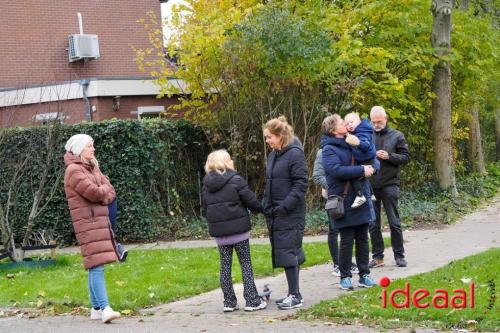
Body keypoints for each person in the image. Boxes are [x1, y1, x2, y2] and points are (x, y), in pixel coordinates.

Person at [63, 134, 121, 323]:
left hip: (98, 222)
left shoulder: (93, 167)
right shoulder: (73, 170)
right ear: (80, 149)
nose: (93, 149)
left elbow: (111, 189)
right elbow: (95, 192)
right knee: (96, 266)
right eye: (90, 146)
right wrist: (104, 193)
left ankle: (96, 308)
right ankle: (105, 308)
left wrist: (103, 192)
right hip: (88, 224)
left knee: (95, 264)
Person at [202, 149, 267, 313]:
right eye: (230, 159)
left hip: (220, 233)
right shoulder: (236, 180)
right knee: (245, 264)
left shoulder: (206, 185)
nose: (232, 161)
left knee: (225, 266)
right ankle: (252, 301)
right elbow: (251, 201)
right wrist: (263, 209)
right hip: (239, 232)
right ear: (225, 162)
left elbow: (205, 210)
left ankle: (229, 302)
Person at [320, 114, 377, 290]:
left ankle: (364, 274)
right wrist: (361, 170)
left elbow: (369, 152)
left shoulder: (351, 141)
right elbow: (336, 171)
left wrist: (367, 161)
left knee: (362, 238)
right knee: (346, 241)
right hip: (344, 200)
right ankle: (345, 277)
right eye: (341, 123)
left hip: (360, 197)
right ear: (333, 129)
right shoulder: (328, 149)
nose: (345, 124)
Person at [262, 116, 308, 310]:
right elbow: (269, 183)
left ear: (280, 136)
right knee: (286, 252)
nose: (267, 141)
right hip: (276, 213)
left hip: (290, 213)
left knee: (289, 252)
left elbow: (300, 185)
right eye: (266, 138)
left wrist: (284, 207)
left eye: (269, 137)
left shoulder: (295, 154)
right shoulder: (274, 155)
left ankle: (295, 295)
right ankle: (292, 293)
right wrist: (265, 204)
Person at [368, 106, 410, 268]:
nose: (377, 124)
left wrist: (389, 156)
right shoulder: (367, 136)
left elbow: (406, 157)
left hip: (390, 183)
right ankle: (378, 257)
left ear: (386, 118)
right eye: (374, 122)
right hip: (371, 184)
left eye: (379, 121)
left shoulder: (397, 136)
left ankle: (399, 255)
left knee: (394, 222)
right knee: (373, 223)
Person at [312, 148, 359, 277]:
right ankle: (338, 264)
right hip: (334, 198)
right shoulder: (323, 152)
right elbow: (317, 176)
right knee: (334, 230)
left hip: (351, 196)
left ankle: (347, 262)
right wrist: (333, 187)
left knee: (349, 229)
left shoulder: (349, 148)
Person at [344, 112, 378, 208]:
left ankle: (360, 195)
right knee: (363, 177)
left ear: (359, 122)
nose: (349, 125)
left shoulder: (362, 131)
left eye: (351, 122)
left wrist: (358, 143)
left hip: (366, 158)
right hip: (365, 158)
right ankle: (371, 194)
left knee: (354, 175)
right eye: (346, 124)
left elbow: (366, 146)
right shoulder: (358, 131)